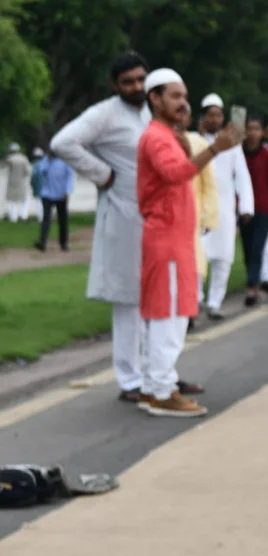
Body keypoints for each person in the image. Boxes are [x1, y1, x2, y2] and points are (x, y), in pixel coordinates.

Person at [51, 51, 203, 403]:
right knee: (129, 301)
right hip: (123, 216)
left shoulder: (155, 115)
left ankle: (160, 375)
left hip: (160, 218)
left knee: (160, 299)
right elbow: (62, 142)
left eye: (140, 79)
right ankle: (131, 379)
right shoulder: (105, 114)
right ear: (114, 85)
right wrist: (103, 175)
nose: (135, 86)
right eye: (127, 82)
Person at [136, 68, 239, 416]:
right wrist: (215, 149)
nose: (184, 103)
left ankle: (153, 387)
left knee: (168, 314)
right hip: (167, 239)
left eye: (185, 97)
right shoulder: (156, 138)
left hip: (174, 238)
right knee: (170, 315)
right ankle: (163, 391)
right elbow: (175, 174)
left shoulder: (167, 135)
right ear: (155, 98)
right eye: (175, 96)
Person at [195, 93, 255, 320]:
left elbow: (242, 176)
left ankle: (215, 303)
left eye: (218, 115)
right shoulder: (194, 140)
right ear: (203, 117)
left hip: (225, 210)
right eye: (209, 115)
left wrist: (246, 207)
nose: (214, 119)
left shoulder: (232, 144)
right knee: (198, 259)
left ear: (223, 118)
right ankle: (195, 302)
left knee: (223, 258)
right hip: (200, 209)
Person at [178, 104, 218, 332]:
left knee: (193, 266)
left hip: (192, 215)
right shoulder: (155, 140)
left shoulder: (198, 144)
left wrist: (208, 215)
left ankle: (189, 310)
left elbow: (209, 184)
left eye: (185, 114)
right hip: (165, 218)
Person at [241, 116, 268, 306]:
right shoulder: (238, 153)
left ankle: (252, 286)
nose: (252, 133)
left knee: (257, 247)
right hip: (243, 208)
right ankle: (252, 279)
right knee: (247, 248)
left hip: (264, 208)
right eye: (249, 128)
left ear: (262, 133)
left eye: (256, 129)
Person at [33, 148, 74, 252]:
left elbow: (70, 176)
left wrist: (67, 190)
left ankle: (63, 243)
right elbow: (42, 171)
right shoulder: (46, 160)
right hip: (47, 194)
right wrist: (48, 160)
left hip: (61, 195)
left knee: (63, 219)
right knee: (46, 218)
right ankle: (42, 242)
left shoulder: (66, 161)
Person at [5, 143, 32, 222]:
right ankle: (24, 215)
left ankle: (13, 218)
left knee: (12, 200)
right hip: (21, 182)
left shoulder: (9, 158)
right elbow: (28, 171)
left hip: (11, 182)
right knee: (24, 200)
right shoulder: (23, 158)